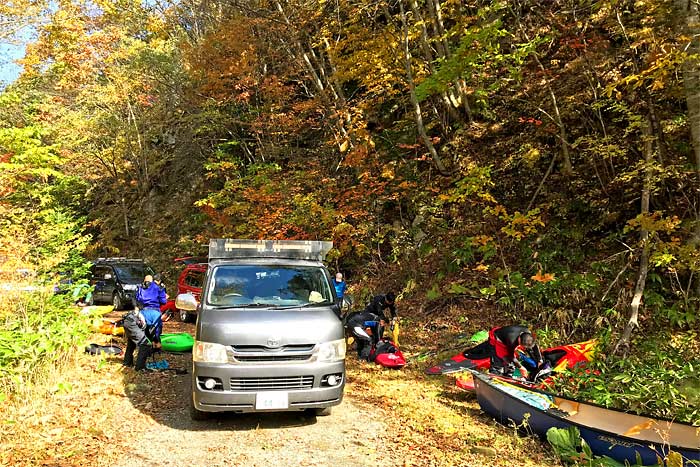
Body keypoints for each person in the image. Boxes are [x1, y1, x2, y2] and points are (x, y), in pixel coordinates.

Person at [123, 275, 167, 371]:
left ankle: (127, 362)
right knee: (145, 344)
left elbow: (136, 299)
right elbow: (154, 331)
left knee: (132, 340)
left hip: (131, 319)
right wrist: (157, 342)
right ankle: (140, 367)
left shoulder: (141, 288)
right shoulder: (156, 314)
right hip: (135, 320)